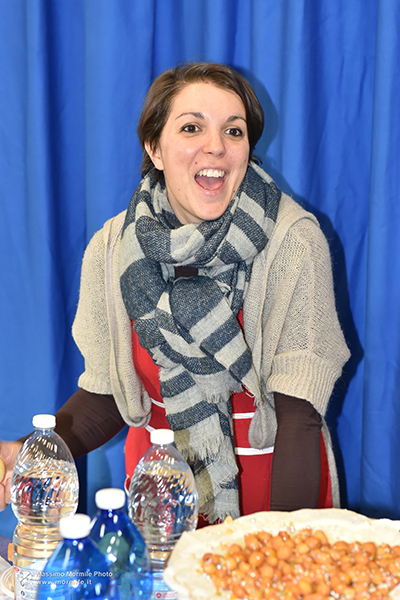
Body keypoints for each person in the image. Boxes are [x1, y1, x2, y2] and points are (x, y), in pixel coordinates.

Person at [0, 62, 350, 522]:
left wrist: (277, 546)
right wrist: (32, 454)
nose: (216, 147)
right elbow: (111, 394)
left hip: (279, 496)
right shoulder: (112, 249)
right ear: (155, 148)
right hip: (160, 502)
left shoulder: (294, 242)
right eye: (191, 128)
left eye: (234, 131)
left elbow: (300, 416)